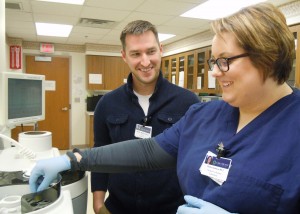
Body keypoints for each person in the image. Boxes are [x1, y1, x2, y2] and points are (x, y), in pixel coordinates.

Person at [29, 3, 300, 214]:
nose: (215, 73)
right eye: (213, 62)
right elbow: (147, 152)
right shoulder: (204, 115)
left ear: (268, 56)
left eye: (225, 60)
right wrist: (74, 160)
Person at [96, 20, 200, 214]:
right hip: (119, 208)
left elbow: (196, 159)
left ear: (161, 50)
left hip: (172, 209)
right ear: (124, 56)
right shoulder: (107, 104)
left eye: (151, 51)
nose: (145, 62)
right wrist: (98, 204)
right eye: (136, 53)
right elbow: (100, 155)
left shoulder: (188, 101)